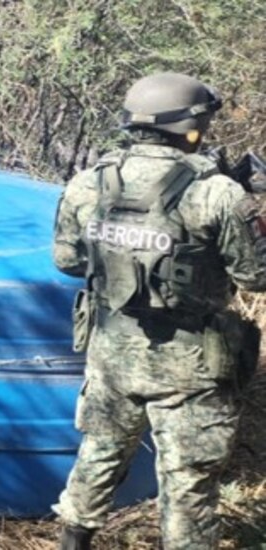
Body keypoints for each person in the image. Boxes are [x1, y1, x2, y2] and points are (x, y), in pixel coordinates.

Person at [51, 72, 266, 550]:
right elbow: (257, 277)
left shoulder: (90, 182)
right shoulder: (219, 194)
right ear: (193, 127)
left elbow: (67, 260)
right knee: (188, 481)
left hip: (110, 353)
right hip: (192, 366)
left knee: (99, 453)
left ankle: (73, 540)